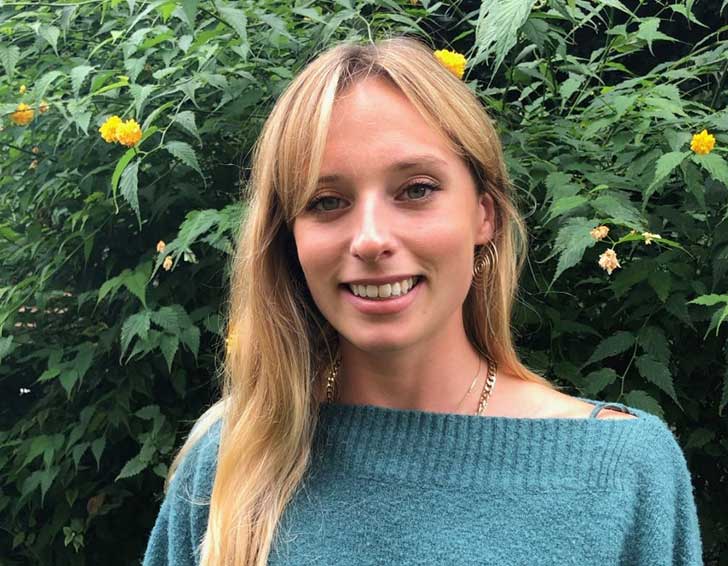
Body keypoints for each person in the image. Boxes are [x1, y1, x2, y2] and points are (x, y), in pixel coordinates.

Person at [141, 35, 703, 566]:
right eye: (326, 201)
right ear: (289, 238)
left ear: (484, 213)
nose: (370, 239)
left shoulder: (621, 473)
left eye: (416, 190)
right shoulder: (231, 464)